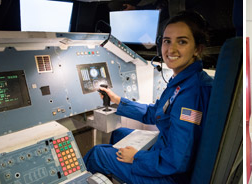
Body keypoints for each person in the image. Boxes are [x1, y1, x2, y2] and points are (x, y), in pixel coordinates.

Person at [83, 11, 213, 183]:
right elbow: (155, 113)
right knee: (118, 134)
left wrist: (136, 157)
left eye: (182, 41)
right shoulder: (184, 81)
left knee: (97, 154)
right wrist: (118, 100)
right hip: (167, 153)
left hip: (170, 176)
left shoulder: (191, 94)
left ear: (197, 49)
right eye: (167, 41)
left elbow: (177, 160)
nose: (171, 49)